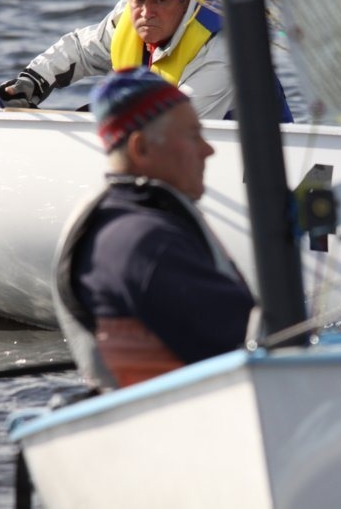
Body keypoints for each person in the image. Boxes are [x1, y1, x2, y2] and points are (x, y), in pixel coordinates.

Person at [53, 67, 256, 391]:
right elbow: (252, 344)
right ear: (141, 148)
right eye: (193, 135)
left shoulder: (122, 221)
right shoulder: (145, 242)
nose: (208, 149)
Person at [0, 0, 293, 122]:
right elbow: (81, 50)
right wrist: (32, 81)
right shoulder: (127, 17)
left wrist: (89, 116)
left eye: (159, 1)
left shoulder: (222, 50)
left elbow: (173, 124)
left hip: (255, 170)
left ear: (183, 1)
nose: (146, 12)